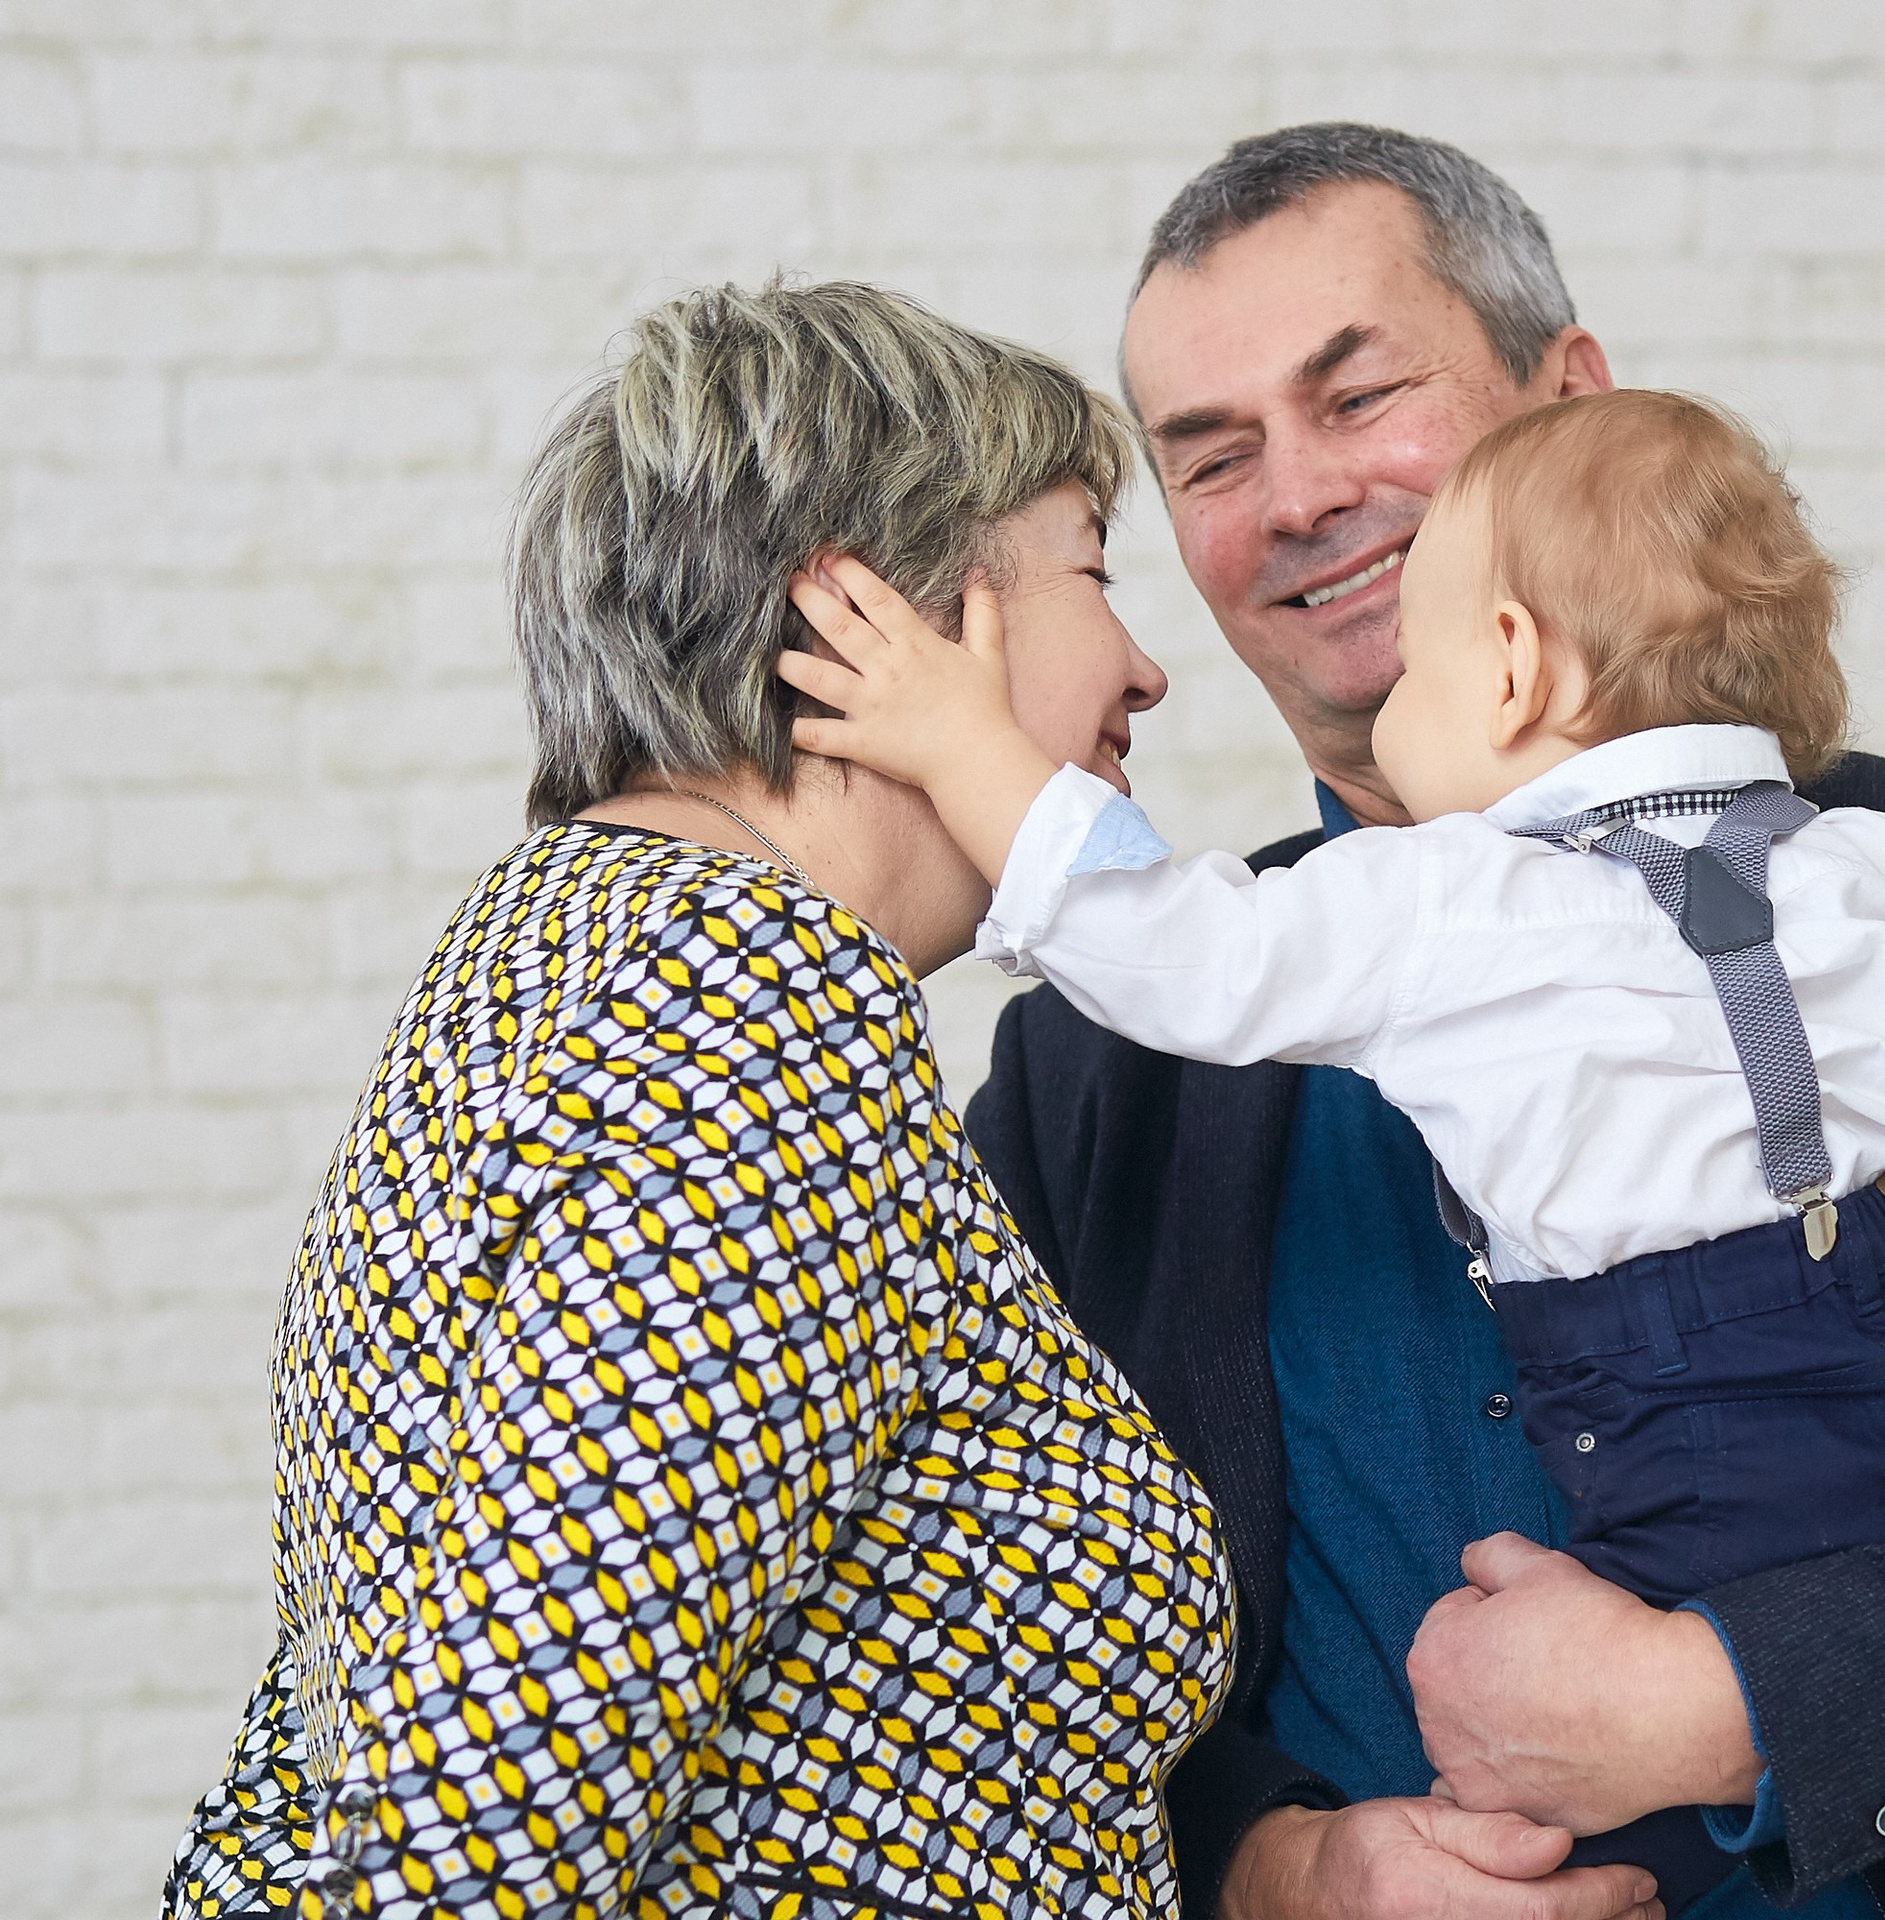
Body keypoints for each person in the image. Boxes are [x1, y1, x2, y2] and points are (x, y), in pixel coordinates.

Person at [965, 126, 1885, 1920]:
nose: (1301, 497)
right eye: (1215, 457)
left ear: (1570, 397)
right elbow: (1003, 1653)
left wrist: (1721, 1706)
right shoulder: (1099, 1065)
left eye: (1361, 398)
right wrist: (1276, 1870)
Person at [775, 380, 1885, 1920]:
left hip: (1700, 1432)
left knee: (1563, 1815)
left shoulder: (1448, 898)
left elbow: (1164, 944)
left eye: (1414, 655)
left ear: (1504, 669)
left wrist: (961, 741)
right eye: (1218, 453)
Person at [161, 280, 1233, 1920]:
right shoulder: (743, 1004)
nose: (1146, 668)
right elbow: (483, 1828)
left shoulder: (566, 948)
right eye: (1093, 568)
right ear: (866, 616)